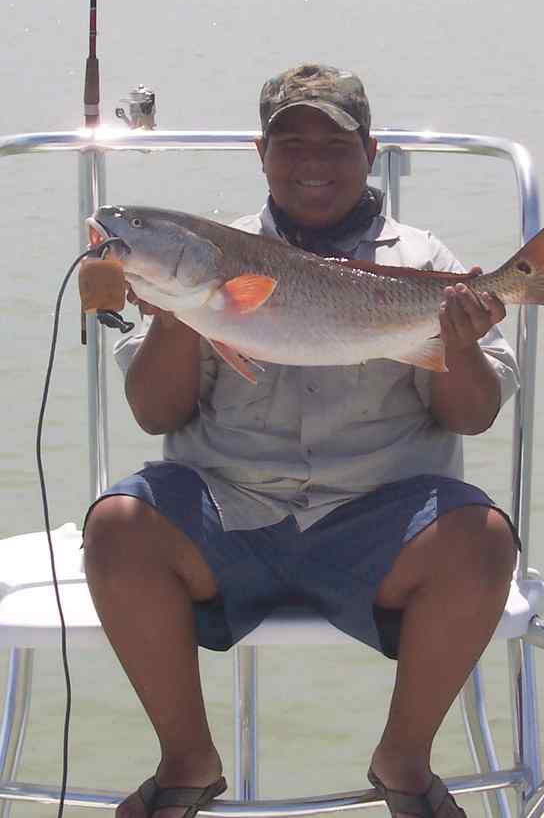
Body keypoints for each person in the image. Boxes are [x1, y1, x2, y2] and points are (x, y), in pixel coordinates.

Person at [83, 63, 520, 818]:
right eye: (290, 143)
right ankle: (186, 762)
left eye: (334, 143)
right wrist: (184, 315)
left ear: (370, 150)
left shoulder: (424, 263)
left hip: (381, 522)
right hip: (226, 513)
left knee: (483, 540)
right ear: (261, 154)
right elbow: (155, 414)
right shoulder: (210, 257)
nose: (311, 162)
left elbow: (472, 415)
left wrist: (461, 343)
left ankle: (405, 764)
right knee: (116, 527)